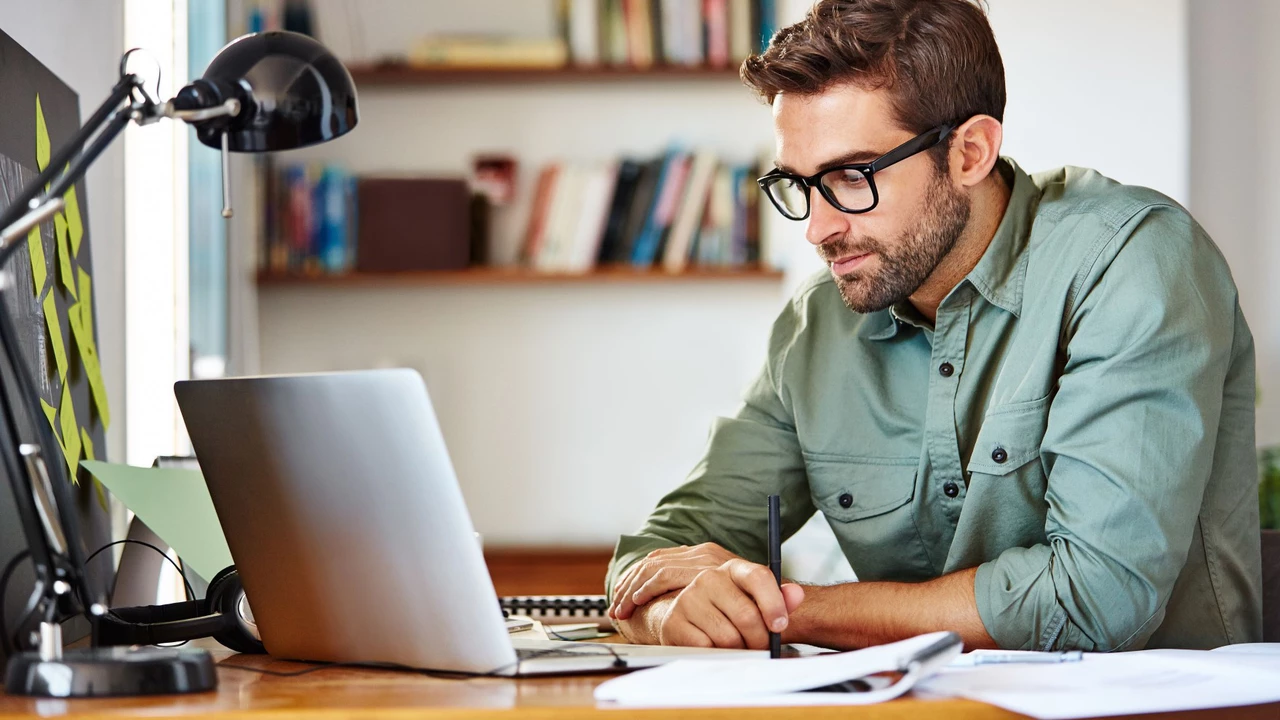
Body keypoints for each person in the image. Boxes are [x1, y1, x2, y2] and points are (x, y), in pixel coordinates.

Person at [605, 0, 1262, 652]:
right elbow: (670, 545)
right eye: (798, 184)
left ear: (970, 151)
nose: (816, 229)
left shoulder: (1131, 259)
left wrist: (786, 612)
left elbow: (1095, 599)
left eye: (851, 177)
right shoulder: (817, 325)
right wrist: (665, 607)